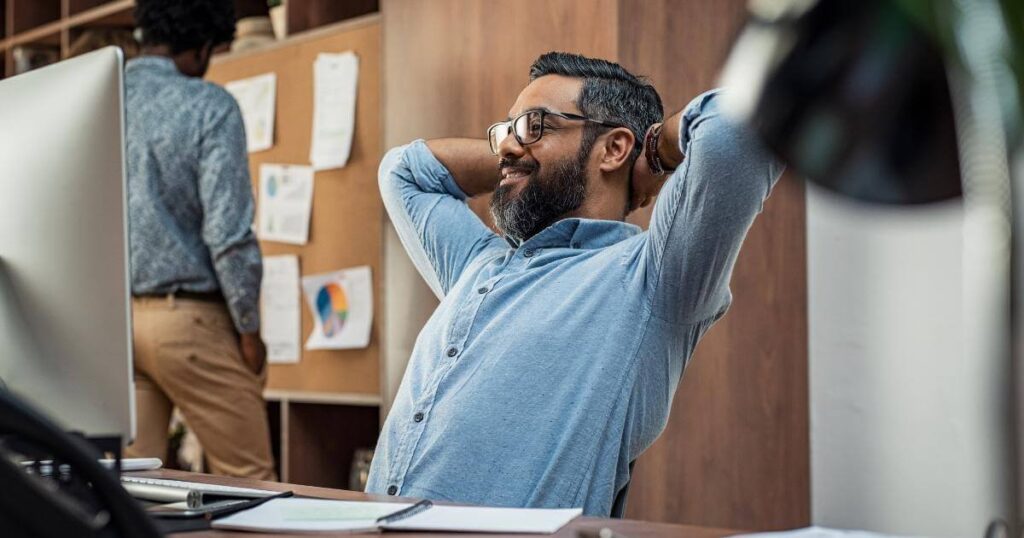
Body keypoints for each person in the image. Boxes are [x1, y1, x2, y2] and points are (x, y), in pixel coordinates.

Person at [368, 52, 784, 515]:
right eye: (507, 130)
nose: (505, 146)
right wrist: (519, 157)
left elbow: (741, 126)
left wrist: (655, 152)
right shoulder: (479, 262)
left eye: (535, 125)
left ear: (613, 148)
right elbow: (403, 172)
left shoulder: (652, 278)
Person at [123, 0, 275, 480]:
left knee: (132, 488)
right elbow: (228, 234)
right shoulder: (208, 105)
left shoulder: (101, 99)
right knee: (251, 484)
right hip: (190, 322)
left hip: (117, 322)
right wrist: (249, 329)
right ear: (201, 48)